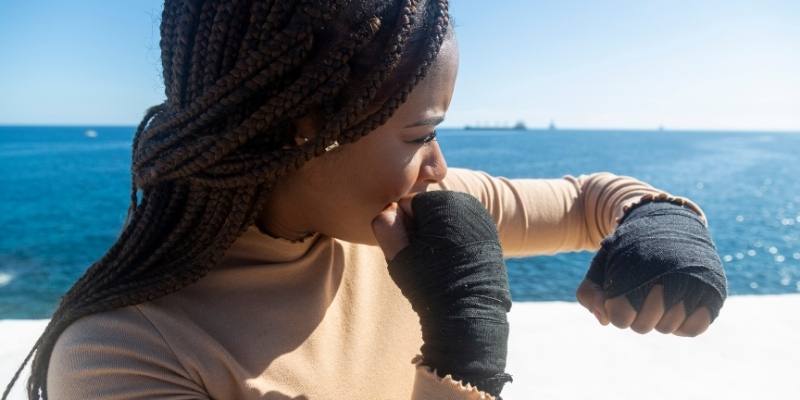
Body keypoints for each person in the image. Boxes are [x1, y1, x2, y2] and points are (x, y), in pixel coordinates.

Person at [2, 1, 727, 399]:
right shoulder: (121, 357)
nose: (439, 167)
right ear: (304, 131)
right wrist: (462, 350)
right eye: (419, 134)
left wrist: (660, 220)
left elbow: (588, 201)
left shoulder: (417, 210)